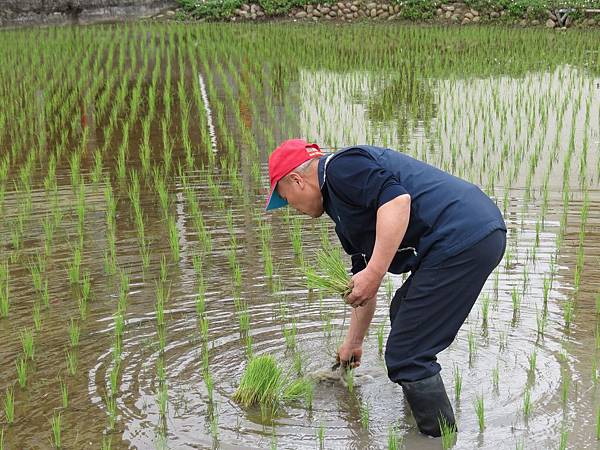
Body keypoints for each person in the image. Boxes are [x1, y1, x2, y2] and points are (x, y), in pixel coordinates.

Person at [265, 139, 506, 437]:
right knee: (402, 311)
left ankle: (438, 439)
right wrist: (353, 343)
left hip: (463, 234)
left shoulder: (341, 168)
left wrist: (375, 272)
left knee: (406, 355)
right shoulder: (342, 213)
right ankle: (422, 413)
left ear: (297, 180)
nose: (291, 208)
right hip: (465, 236)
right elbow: (363, 287)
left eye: (286, 199)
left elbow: (397, 201)